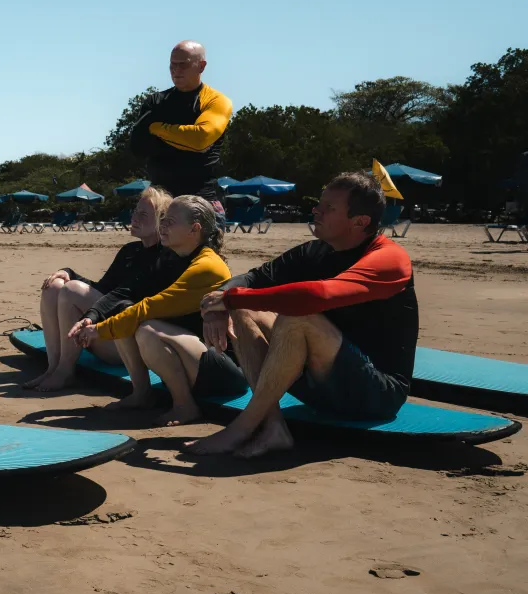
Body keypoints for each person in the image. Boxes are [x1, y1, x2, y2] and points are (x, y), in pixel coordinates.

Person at [187, 171, 418, 457]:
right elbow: (252, 278)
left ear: (360, 222)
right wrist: (217, 308)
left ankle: (242, 428)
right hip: (319, 388)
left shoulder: (389, 260)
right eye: (319, 203)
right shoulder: (315, 251)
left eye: (328, 208)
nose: (315, 210)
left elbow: (317, 296)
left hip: (375, 394)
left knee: (298, 316)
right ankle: (273, 428)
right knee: (245, 309)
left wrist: (230, 300)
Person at [68, 196, 231, 423]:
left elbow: (151, 307)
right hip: (192, 359)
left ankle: (185, 406)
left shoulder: (206, 267)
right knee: (124, 311)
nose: (162, 225)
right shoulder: (171, 257)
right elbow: (128, 290)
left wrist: (99, 330)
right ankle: (141, 394)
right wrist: (91, 317)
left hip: (223, 372)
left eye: (170, 221)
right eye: (162, 219)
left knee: (147, 328)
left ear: (194, 229)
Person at [26, 186, 177, 392]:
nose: (135, 217)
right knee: (54, 286)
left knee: (71, 291)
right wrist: (68, 272)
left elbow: (122, 295)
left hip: (128, 344)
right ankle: (54, 368)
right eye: (135, 212)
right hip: (107, 331)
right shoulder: (130, 251)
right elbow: (103, 289)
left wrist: (91, 315)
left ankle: (65, 372)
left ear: (162, 221)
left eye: (143, 214)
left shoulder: (165, 257)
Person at [128, 41, 233, 220]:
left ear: (201, 66)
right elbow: (137, 146)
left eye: (183, 64)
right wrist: (188, 143)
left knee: (203, 250)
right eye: (172, 65)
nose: (176, 70)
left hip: (201, 201)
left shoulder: (215, 100)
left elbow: (201, 138)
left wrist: (156, 128)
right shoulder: (155, 101)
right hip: (160, 202)